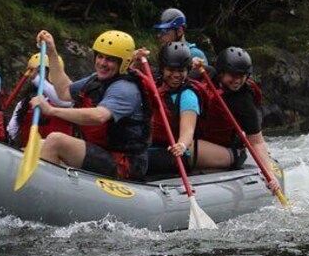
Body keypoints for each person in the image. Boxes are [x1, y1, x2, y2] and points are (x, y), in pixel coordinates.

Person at [29, 30, 151, 181]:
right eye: (100, 56)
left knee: (55, 140)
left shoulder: (125, 89)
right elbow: (64, 91)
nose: (102, 63)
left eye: (110, 59)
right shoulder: (96, 80)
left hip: (125, 163)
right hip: (102, 151)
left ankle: (46, 195)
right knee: (38, 144)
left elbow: (99, 116)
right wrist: (52, 52)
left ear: (123, 63)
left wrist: (51, 110)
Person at [195, 46, 272, 171]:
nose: (237, 81)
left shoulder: (243, 101)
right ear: (221, 72)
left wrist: (269, 173)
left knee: (187, 148)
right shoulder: (205, 74)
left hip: (229, 152)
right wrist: (189, 64)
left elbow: (257, 142)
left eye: (242, 76)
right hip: (201, 141)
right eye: (233, 75)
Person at [145, 41, 205, 175]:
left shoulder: (188, 95)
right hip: (151, 146)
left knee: (138, 160)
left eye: (181, 70)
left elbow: (188, 132)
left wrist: (182, 145)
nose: (176, 75)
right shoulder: (155, 85)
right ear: (162, 69)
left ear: (188, 70)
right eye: (171, 70)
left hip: (175, 152)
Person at [7, 52, 73, 146]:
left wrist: (36, 79)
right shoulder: (23, 104)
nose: (40, 75)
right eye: (38, 72)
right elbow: (11, 131)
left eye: (42, 71)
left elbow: (61, 100)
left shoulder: (67, 101)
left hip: (55, 158)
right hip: (29, 154)